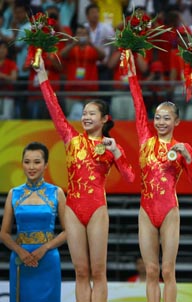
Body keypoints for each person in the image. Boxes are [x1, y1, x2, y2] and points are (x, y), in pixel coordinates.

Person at [34, 57, 135, 302]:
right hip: (73, 209)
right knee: (81, 271)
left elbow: (130, 178)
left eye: (92, 113)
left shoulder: (110, 145)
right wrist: (43, 76)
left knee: (98, 271)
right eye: (84, 113)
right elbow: (54, 108)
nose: (86, 117)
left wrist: (117, 152)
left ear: (104, 119)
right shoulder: (72, 138)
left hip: (97, 208)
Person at [126, 54, 192, 302]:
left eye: (166, 118)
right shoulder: (146, 141)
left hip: (169, 209)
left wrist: (187, 158)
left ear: (177, 121)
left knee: (167, 270)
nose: (160, 122)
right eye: (157, 117)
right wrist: (130, 70)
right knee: (150, 271)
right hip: (146, 210)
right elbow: (138, 103)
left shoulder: (183, 147)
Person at [0, 142, 67, 302]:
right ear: (22, 163)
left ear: (45, 165)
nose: (31, 167)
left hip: (48, 259)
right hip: (20, 260)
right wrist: (20, 251)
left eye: (37, 162)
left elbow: (68, 231)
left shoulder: (56, 193)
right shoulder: (14, 193)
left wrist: (44, 249)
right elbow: (4, 234)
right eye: (27, 162)